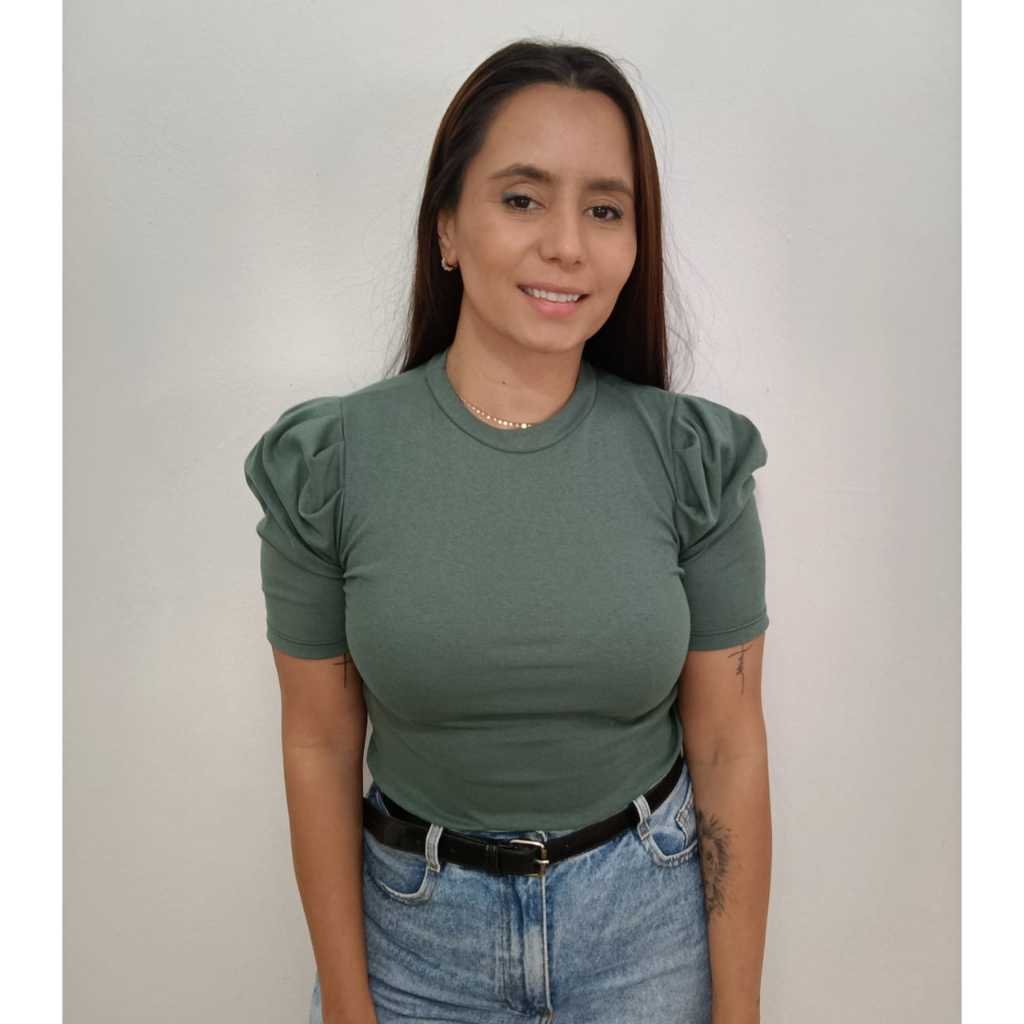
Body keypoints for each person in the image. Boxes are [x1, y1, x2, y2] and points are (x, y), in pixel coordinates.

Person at [244, 39, 771, 1024]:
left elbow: (729, 743)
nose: (567, 245)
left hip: (647, 937)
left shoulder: (693, 461)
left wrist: (736, 1008)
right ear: (447, 226)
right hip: (415, 943)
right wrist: (347, 1001)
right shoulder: (329, 465)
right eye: (523, 198)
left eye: (605, 209)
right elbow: (318, 741)